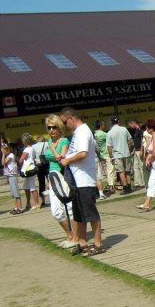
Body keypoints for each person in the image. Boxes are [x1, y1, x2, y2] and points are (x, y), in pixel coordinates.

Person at [59, 107, 104, 257]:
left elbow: (83, 154)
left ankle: (98, 244)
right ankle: (83, 243)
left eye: (64, 122)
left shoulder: (83, 131)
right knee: (79, 215)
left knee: (90, 214)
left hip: (85, 180)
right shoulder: (78, 133)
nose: (64, 126)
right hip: (77, 180)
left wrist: (67, 160)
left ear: (71, 118)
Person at [45, 114, 78, 248]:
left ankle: (75, 237)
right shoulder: (49, 142)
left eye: (54, 127)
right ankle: (69, 234)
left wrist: (53, 149)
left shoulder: (64, 141)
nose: (51, 130)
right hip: (53, 176)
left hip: (63, 176)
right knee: (56, 210)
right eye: (49, 127)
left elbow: (62, 159)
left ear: (59, 128)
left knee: (70, 208)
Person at [107, 116, 133, 195]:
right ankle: (129, 186)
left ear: (111, 123)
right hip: (126, 153)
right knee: (128, 170)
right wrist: (128, 149)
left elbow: (109, 146)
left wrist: (111, 156)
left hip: (117, 154)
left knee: (121, 171)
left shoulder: (110, 133)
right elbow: (130, 141)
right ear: (118, 121)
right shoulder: (124, 129)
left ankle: (125, 187)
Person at [18, 133, 40, 211]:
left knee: (32, 186)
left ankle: (37, 203)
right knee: (26, 186)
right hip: (31, 167)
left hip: (28, 169)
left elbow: (20, 160)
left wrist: (18, 160)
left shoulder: (27, 149)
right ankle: (28, 203)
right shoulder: (32, 148)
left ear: (25, 141)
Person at [0, 143, 22, 214]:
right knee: (13, 193)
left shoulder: (11, 155)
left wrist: (3, 154)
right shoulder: (7, 156)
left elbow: (3, 163)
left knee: (16, 192)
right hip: (9, 175)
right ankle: (16, 207)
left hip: (13, 175)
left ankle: (20, 207)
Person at [127, 119, 146, 188]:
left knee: (141, 166)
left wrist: (141, 150)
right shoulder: (135, 131)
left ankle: (143, 182)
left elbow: (142, 141)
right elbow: (136, 142)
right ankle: (137, 182)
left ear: (133, 123)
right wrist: (133, 150)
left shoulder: (140, 131)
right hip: (136, 150)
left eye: (130, 125)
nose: (130, 127)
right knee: (135, 167)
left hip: (139, 150)